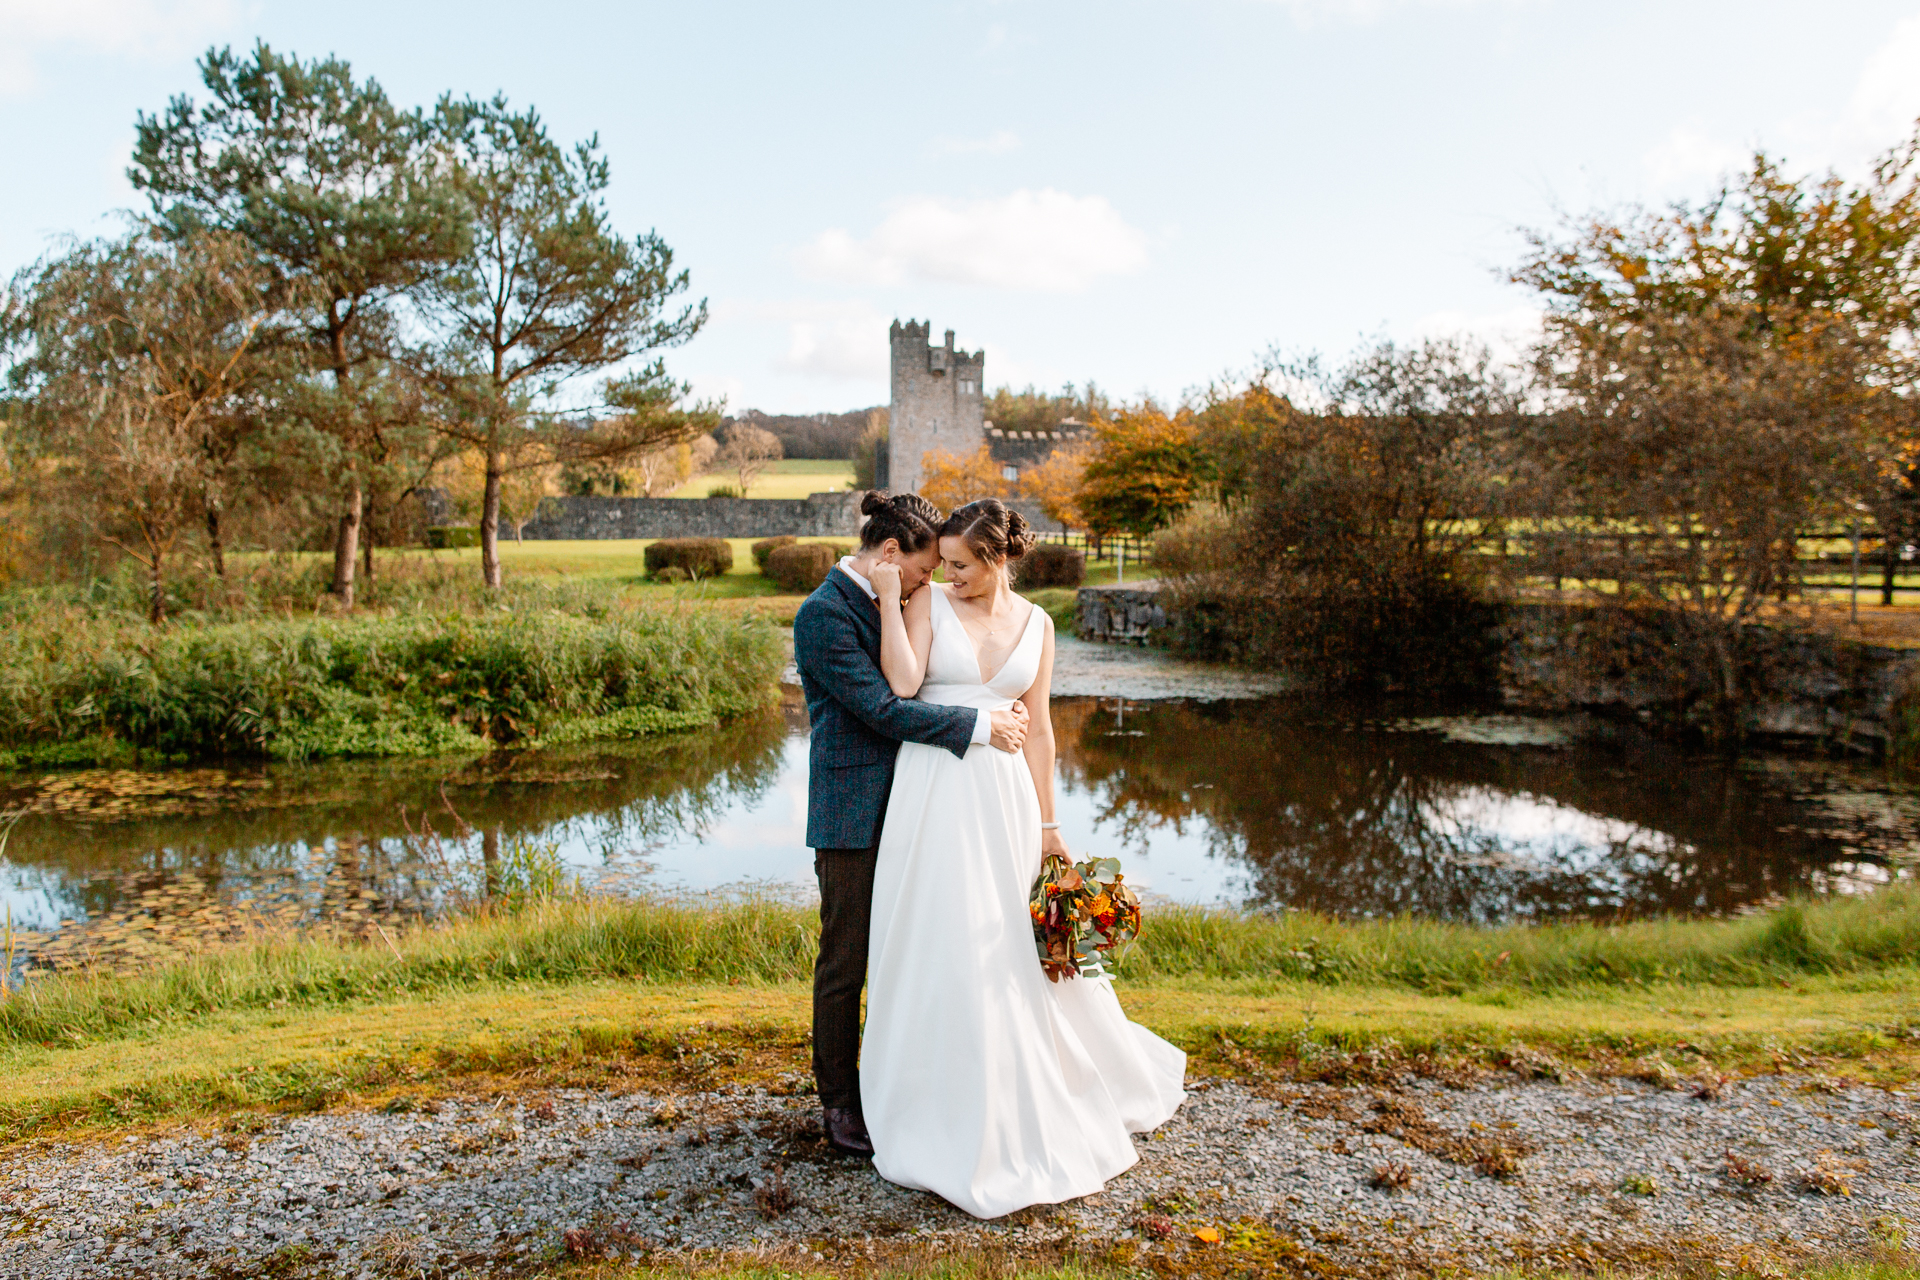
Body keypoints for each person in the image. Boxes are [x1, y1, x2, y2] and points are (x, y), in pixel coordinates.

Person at [858, 497, 1187, 1219]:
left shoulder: (1039, 626)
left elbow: (1039, 731)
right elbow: (905, 685)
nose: (949, 577)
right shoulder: (927, 604)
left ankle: (1021, 1088)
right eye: (943, 564)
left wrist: (1049, 824)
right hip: (934, 793)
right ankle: (929, 1094)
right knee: (938, 935)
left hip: (1005, 802)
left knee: (1007, 943)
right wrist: (890, 602)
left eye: (963, 566)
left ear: (999, 559)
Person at [791, 491, 1032, 1157]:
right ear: (891, 554)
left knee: (915, 958)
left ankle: (904, 1087)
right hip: (854, 815)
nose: (932, 586)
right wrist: (982, 724)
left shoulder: (890, 596)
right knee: (847, 960)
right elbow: (882, 709)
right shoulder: (822, 615)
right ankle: (839, 1103)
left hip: (921, 810)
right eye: (927, 573)